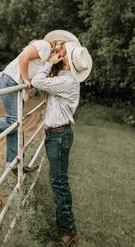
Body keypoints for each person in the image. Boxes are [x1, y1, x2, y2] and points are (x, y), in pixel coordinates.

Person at [0, 30, 81, 174]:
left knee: (16, 124)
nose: (64, 55)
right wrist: (26, 80)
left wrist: (47, 68)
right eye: (65, 49)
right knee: (13, 122)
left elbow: (40, 80)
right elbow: (23, 57)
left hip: (15, 85)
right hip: (10, 81)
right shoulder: (44, 46)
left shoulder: (47, 60)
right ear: (59, 44)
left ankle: (14, 164)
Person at [31, 41, 92, 245]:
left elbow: (37, 82)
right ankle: (67, 227)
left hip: (58, 136)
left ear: (67, 62)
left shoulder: (67, 82)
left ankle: (68, 231)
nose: (57, 53)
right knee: (59, 182)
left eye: (62, 52)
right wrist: (54, 61)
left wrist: (49, 63)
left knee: (59, 183)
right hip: (58, 135)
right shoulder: (64, 78)